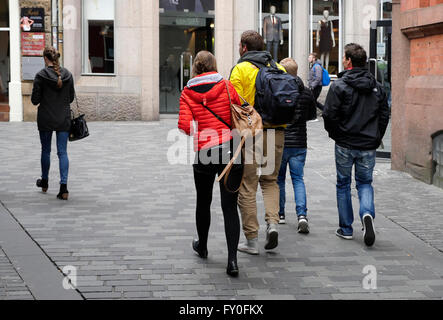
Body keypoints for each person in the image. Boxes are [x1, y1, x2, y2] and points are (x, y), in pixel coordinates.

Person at [178, 51, 244, 277]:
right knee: (229, 206)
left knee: (203, 201)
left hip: (204, 152)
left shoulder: (187, 92)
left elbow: (185, 127)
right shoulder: (226, 86)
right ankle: (232, 261)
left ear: (195, 68)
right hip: (230, 151)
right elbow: (241, 110)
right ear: (214, 65)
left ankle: (203, 247)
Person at [322, 43, 390, 247]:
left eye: (344, 57)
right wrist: (376, 137)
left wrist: (336, 134)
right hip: (368, 144)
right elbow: (385, 114)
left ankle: (346, 229)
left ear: (349, 61)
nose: (342, 60)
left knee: (343, 184)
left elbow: (329, 115)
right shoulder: (376, 86)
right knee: (365, 183)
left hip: (345, 142)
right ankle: (367, 214)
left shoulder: (340, 85)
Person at [230, 30, 286, 255]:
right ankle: (273, 224)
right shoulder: (279, 67)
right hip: (277, 133)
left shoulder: (241, 69)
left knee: (247, 185)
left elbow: (234, 104)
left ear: (244, 47)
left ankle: (251, 240)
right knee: (271, 181)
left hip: (251, 135)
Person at [277, 58, 316, 233]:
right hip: (300, 142)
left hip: (280, 141)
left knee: (279, 180)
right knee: (298, 179)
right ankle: (302, 215)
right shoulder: (306, 92)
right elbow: (311, 115)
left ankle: (280, 214)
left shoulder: (278, 91)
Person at [31, 47, 75, 200]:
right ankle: (64, 188)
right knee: (62, 152)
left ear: (45, 58)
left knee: (46, 150)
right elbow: (70, 98)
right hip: (63, 118)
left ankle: (44, 181)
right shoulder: (68, 75)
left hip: (46, 118)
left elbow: (34, 100)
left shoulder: (41, 75)